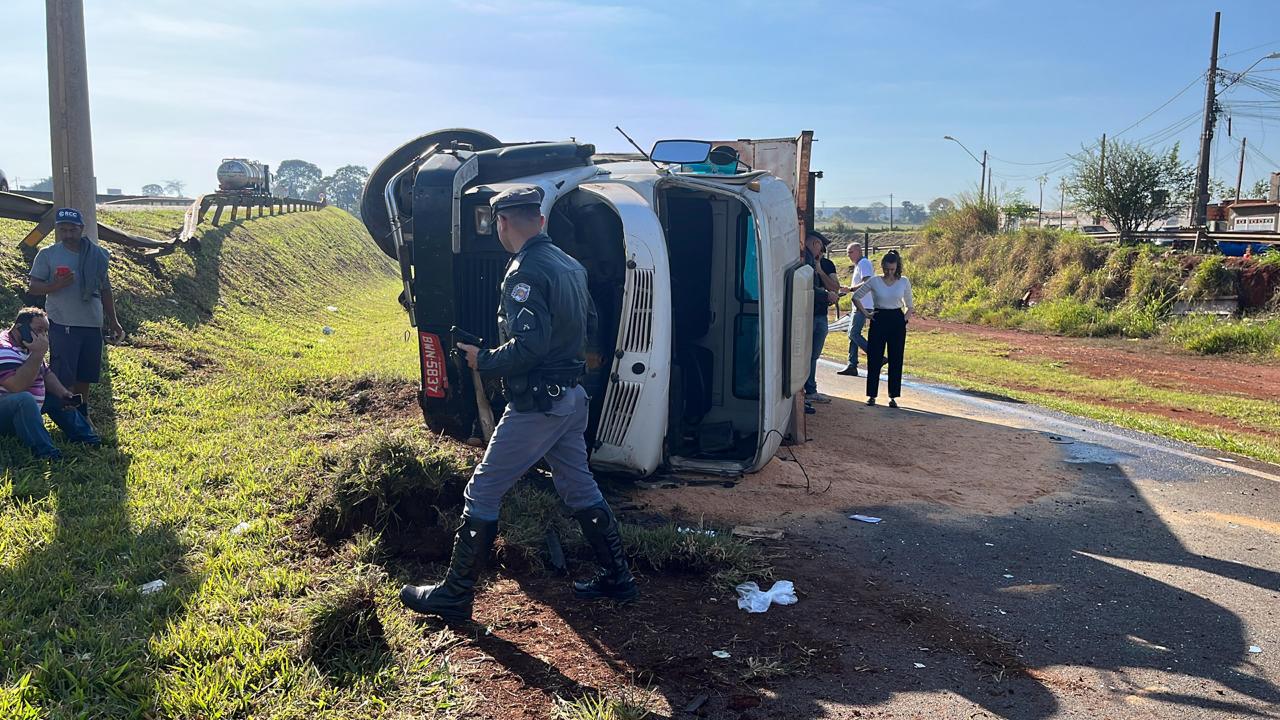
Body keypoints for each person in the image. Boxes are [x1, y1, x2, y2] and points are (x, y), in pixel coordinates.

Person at [400, 185, 636, 624]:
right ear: (541, 220)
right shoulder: (570, 265)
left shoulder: (523, 272)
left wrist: (483, 359)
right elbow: (586, 327)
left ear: (502, 223)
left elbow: (529, 346)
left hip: (538, 403)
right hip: (571, 397)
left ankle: (454, 594)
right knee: (579, 487)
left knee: (483, 489)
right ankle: (617, 577)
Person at [27, 208, 124, 418]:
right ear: (58, 230)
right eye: (63, 230)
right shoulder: (48, 254)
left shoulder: (97, 255)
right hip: (63, 323)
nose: (69, 234)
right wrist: (55, 285)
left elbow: (105, 289)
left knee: (85, 374)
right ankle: (64, 415)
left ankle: (82, 413)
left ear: (81, 228)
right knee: (64, 373)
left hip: (92, 323)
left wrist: (113, 321)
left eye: (73, 229)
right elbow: (33, 286)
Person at [0, 307, 101, 461]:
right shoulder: (4, 349)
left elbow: (45, 373)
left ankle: (86, 437)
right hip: (7, 412)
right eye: (39, 330)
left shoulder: (27, 345)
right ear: (21, 328)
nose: (43, 336)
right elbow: (16, 387)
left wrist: (64, 394)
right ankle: (47, 453)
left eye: (46, 332)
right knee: (24, 399)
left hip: (28, 407)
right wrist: (38, 353)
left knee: (58, 396)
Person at [850, 250, 913, 408]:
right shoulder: (875, 281)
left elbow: (910, 306)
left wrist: (903, 321)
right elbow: (855, 296)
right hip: (879, 318)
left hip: (897, 319)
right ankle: (872, 395)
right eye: (886, 269)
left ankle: (893, 396)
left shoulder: (903, 281)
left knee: (896, 358)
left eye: (892, 269)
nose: (889, 272)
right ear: (882, 267)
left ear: (897, 267)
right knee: (875, 357)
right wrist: (866, 313)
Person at [804, 231, 840, 413]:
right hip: (808, 315)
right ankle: (807, 390)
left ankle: (809, 388)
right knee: (805, 355)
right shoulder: (806, 260)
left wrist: (820, 271)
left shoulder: (824, 264)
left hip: (820, 315)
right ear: (816, 244)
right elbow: (808, 289)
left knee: (813, 355)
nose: (822, 252)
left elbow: (835, 286)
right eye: (821, 247)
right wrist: (827, 295)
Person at [837, 242, 875, 376]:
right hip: (860, 303)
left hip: (863, 304)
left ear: (859, 251)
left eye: (851, 252)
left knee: (853, 333)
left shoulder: (864, 263)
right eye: (848, 252)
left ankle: (875, 355)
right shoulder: (860, 264)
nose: (849, 255)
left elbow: (868, 282)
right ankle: (852, 365)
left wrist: (851, 289)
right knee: (852, 335)